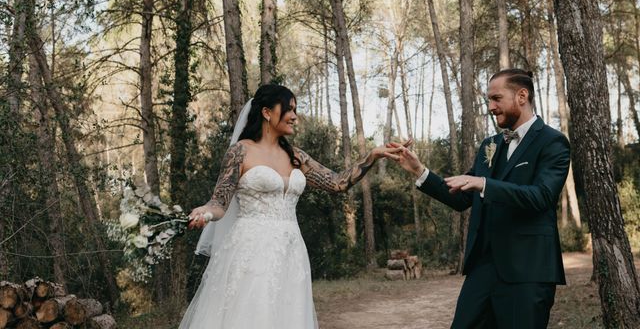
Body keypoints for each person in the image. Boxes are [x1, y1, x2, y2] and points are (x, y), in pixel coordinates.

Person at [179, 84, 392, 329]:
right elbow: (219, 202)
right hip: (251, 251)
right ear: (267, 112)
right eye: (289, 109)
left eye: (295, 109)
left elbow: (338, 182)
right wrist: (204, 213)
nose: (294, 116)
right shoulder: (241, 151)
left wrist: (374, 155)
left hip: (291, 252)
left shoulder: (296, 157)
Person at [386, 69, 570, 329]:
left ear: (521, 95)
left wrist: (483, 183)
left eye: (496, 98)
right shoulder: (490, 145)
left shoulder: (553, 142)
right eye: (488, 100)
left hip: (528, 270)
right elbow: (462, 198)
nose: (491, 107)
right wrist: (419, 170)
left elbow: (541, 197)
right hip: (483, 269)